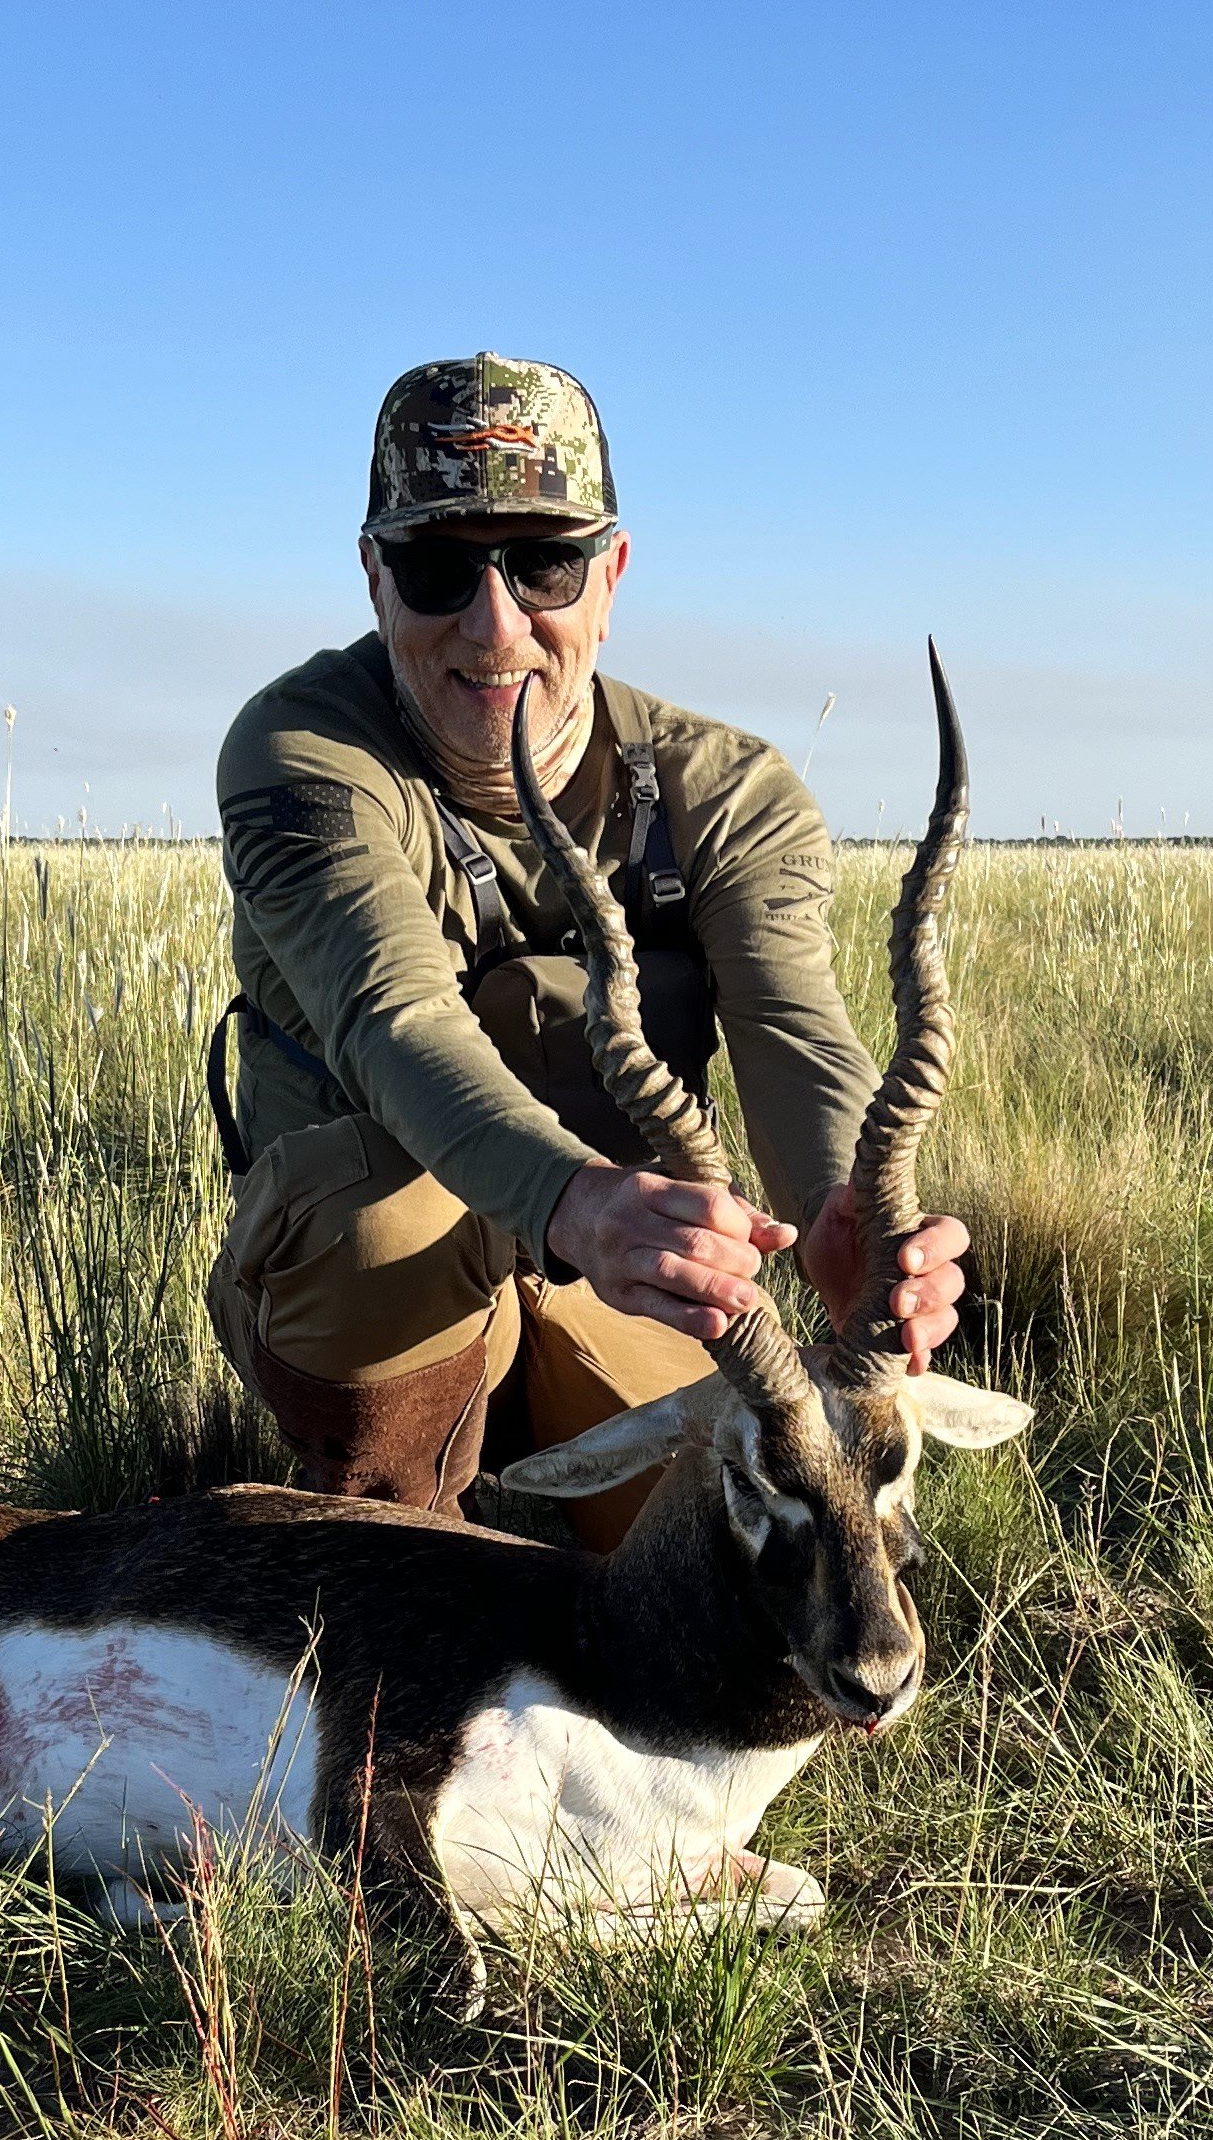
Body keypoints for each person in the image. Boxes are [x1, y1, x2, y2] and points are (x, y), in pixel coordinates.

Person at [206, 352, 971, 1531]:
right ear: (372, 577)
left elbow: (796, 1032)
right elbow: (392, 1018)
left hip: (629, 1280)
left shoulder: (730, 791)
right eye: (437, 568)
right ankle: (387, 1542)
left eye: (545, 564)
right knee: (376, 1206)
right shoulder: (303, 758)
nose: (495, 622)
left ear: (610, 577)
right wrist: (574, 1203)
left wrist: (841, 1211)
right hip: (387, 1303)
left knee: (708, 1550)